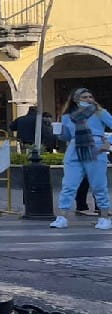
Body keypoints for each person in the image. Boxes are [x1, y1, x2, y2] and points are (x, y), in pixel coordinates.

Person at [50, 87, 112, 231]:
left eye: (91, 96)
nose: (89, 99)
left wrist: (108, 143)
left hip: (96, 148)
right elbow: (65, 136)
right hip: (74, 149)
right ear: (76, 99)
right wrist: (58, 132)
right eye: (85, 97)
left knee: (99, 185)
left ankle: (104, 217)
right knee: (68, 185)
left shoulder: (100, 113)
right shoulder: (67, 117)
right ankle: (62, 217)